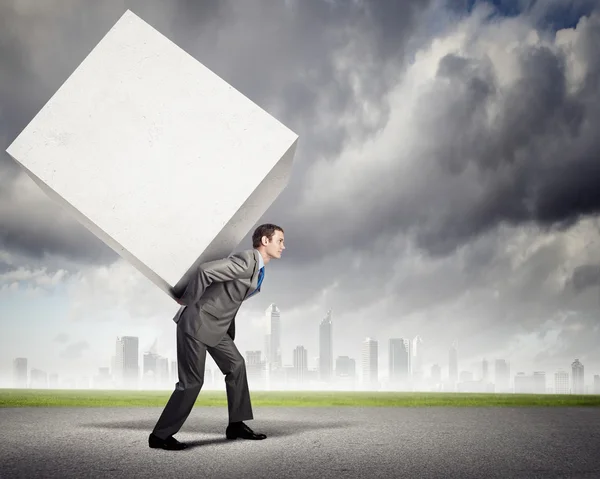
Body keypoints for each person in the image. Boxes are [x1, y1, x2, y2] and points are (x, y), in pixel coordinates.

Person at [148, 223, 285, 450]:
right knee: (192, 382)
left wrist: (228, 330)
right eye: (280, 241)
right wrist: (188, 301)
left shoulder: (258, 270)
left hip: (216, 327)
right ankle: (160, 436)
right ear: (265, 241)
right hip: (196, 323)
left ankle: (236, 425)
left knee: (237, 365)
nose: (283, 246)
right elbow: (205, 271)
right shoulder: (246, 261)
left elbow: (229, 298)